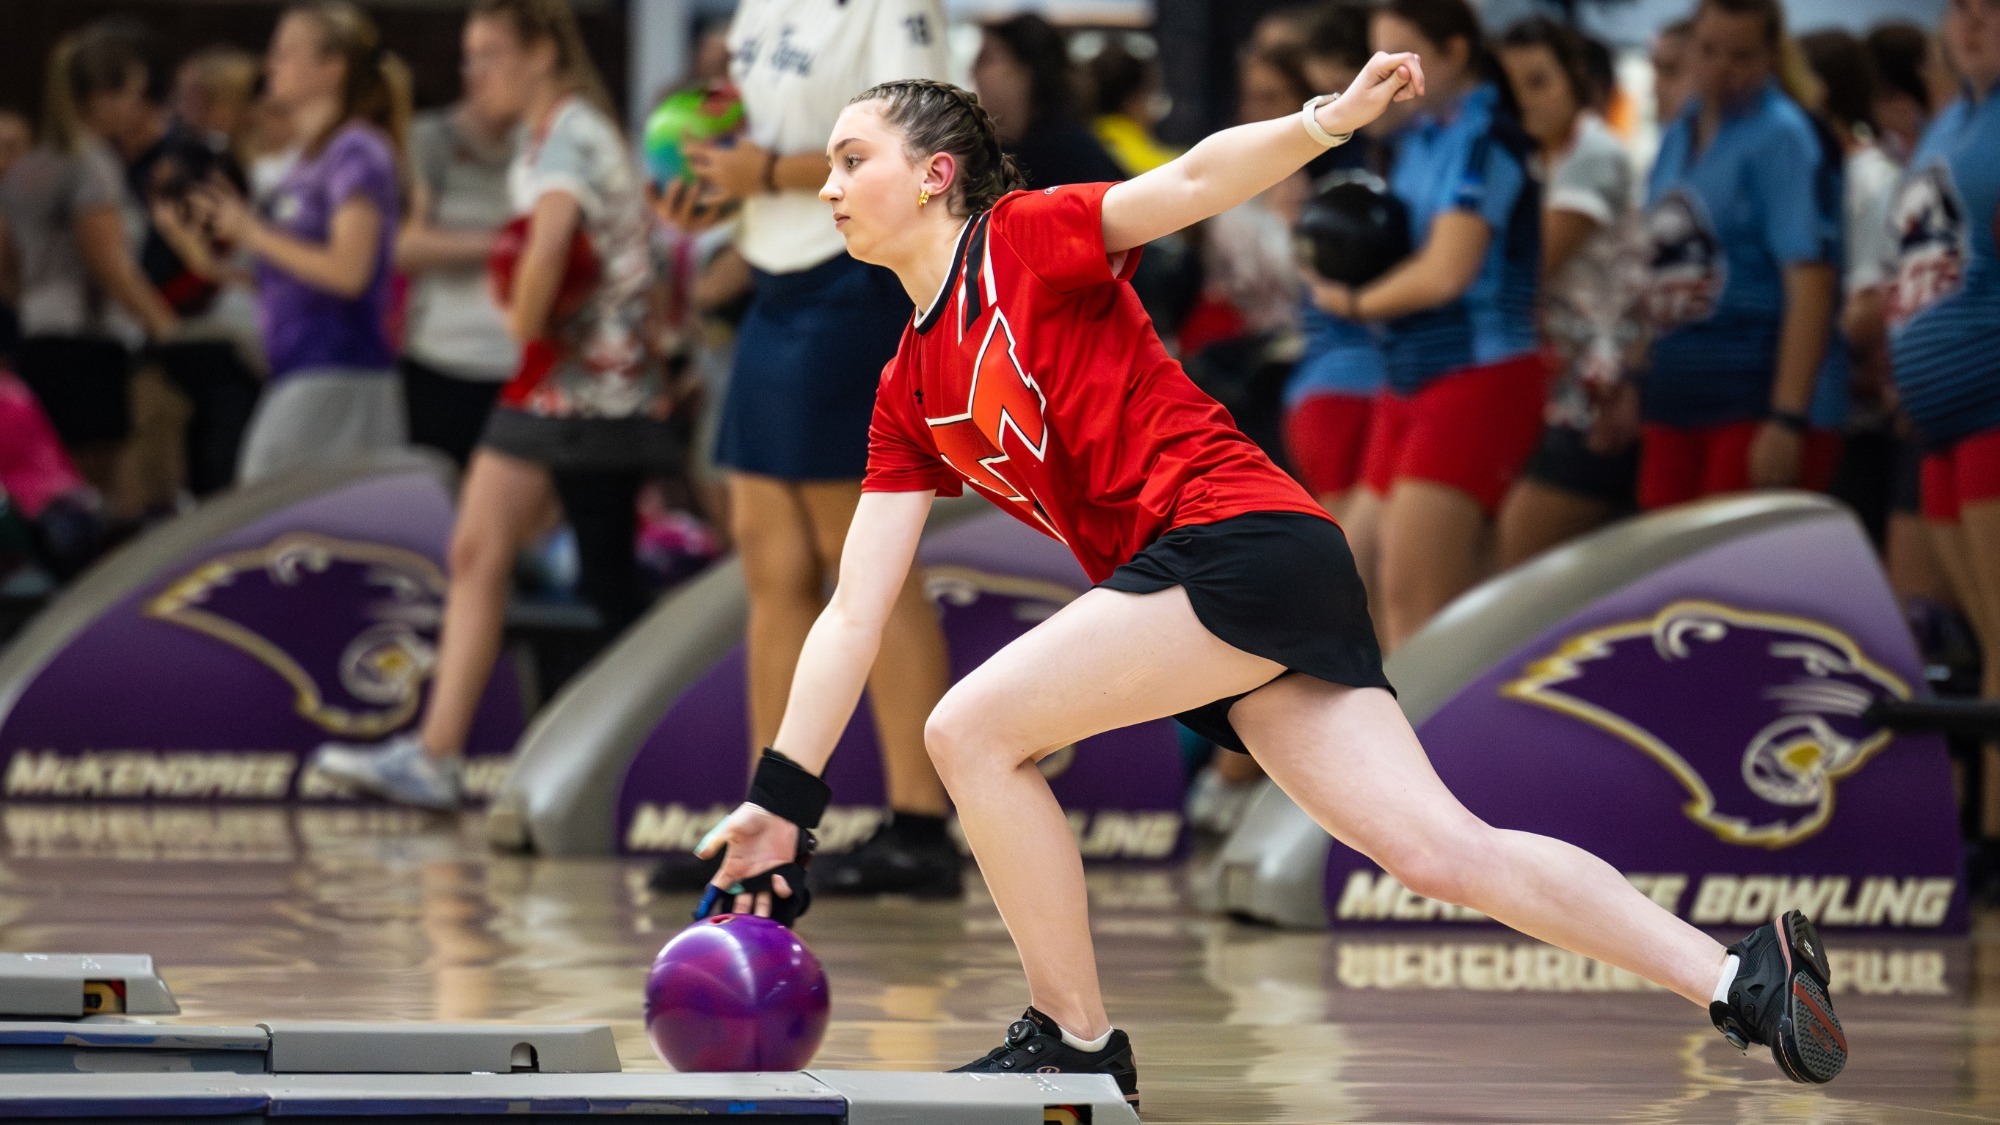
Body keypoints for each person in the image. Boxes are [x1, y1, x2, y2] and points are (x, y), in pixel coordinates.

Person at [690, 65, 1849, 1102]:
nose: (829, 185)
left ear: (935, 174)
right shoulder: (906, 388)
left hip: (1232, 543)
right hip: (1248, 572)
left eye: (852, 160)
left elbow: (1189, 178)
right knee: (1441, 852)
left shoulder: (1024, 238)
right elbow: (855, 608)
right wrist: (781, 802)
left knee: (969, 734)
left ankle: (1073, 1038)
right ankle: (1739, 976)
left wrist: (1323, 122)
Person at [312, 0, 678, 808]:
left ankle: (629, 761)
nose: (474, 74)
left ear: (541, 52)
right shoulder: (563, 128)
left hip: (576, 383)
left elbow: (548, 241)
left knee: (526, 559)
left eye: (488, 55)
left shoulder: (569, 131)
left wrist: (521, 321)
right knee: (520, 558)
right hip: (588, 383)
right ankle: (450, 756)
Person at [646, 0, 963, 899]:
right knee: (769, 557)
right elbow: (756, 131)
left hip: (855, 280)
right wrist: (705, 175)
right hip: (774, 280)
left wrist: (771, 172)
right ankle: (766, 821)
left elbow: (932, 137)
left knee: (864, 562)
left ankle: (919, 826)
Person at [1301, 0, 1543, 649]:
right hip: (1408, 376)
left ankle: (1436, 752)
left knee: (1417, 600)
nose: (1385, 80)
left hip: (1478, 373)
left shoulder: (1486, 135)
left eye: (1400, 62)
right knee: (1357, 578)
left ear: (1454, 54)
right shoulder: (1414, 138)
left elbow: (1445, 273)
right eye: (1377, 61)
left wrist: (1344, 304)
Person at [186, 2, 408, 484]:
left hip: (340, 372)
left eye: (285, 53)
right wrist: (219, 251)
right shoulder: (307, 158)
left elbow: (350, 271)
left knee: (274, 521)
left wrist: (253, 230)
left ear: (332, 69)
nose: (271, 65)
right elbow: (291, 272)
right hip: (298, 372)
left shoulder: (356, 148)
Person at [1634, 0, 1842, 513]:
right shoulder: (1677, 133)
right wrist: (1631, 377)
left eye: (1741, 56)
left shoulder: (1782, 135)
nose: (1721, 69)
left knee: (1728, 581)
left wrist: (1787, 417)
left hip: (1750, 393)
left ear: (1772, 56)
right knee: (1662, 577)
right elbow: (1656, 263)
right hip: (1676, 391)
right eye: (1708, 50)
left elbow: (1810, 282)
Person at [1883, 0, 2000, 871]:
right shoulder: (1952, 120)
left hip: (1989, 402)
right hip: (1942, 418)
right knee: (1984, 641)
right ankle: (1980, 835)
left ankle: (1994, 837)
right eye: (1960, 7)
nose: (1974, 22)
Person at [0, 21, 180, 498]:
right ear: (99, 95)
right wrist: (169, 330)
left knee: (58, 495)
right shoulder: (90, 162)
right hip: (86, 343)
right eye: (131, 95)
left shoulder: (30, 165)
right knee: (98, 499)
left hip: (39, 338)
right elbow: (110, 265)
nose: (136, 110)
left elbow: (6, 259)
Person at [1495, 17, 1642, 568]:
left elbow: (1529, 266)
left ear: (1574, 79)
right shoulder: (1534, 159)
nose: (1526, 101)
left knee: (1508, 571)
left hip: (1594, 396)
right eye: (1512, 88)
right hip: (1548, 388)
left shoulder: (1593, 153)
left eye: (1539, 82)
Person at [138, 46, 265, 498]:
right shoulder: (183, 160)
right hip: (186, 313)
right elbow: (194, 252)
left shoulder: (233, 158)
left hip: (218, 312)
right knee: (226, 408)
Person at [395, 98, 520, 470]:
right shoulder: (432, 138)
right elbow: (405, 248)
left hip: (525, 367)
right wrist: (509, 244)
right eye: (473, 58)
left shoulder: (551, 141)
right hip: (443, 357)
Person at [973, 15, 1127, 190]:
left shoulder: (1068, 152)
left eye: (986, 59)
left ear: (1026, 70)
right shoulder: (1004, 149)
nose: (974, 71)